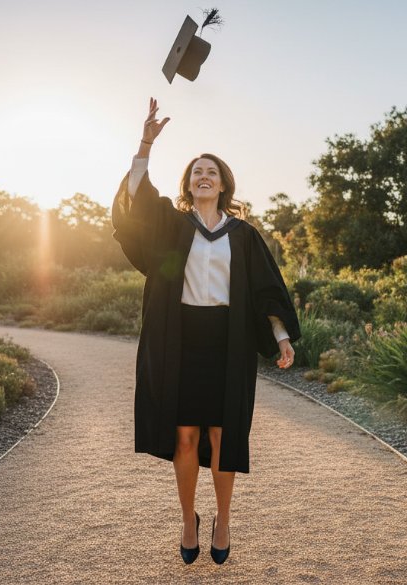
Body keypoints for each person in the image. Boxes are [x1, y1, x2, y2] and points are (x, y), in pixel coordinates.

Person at [111, 98, 301, 565]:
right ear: (188, 185)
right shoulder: (173, 227)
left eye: (211, 172)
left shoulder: (243, 235)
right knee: (185, 438)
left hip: (228, 341)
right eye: (196, 171)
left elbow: (265, 291)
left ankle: (224, 519)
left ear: (223, 184)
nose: (203, 177)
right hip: (182, 339)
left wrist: (280, 336)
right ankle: (187, 518)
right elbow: (135, 204)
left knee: (222, 434)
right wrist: (145, 144)